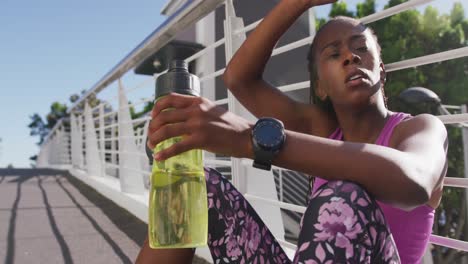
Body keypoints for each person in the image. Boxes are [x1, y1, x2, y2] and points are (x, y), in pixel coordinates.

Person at [136, 0, 447, 263]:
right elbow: (239, 79)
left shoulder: (418, 128)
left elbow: (415, 182)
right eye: (334, 54)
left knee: (344, 195)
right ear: (321, 87)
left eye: (360, 48)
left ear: (381, 68)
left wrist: (253, 139)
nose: (350, 57)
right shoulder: (322, 131)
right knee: (198, 185)